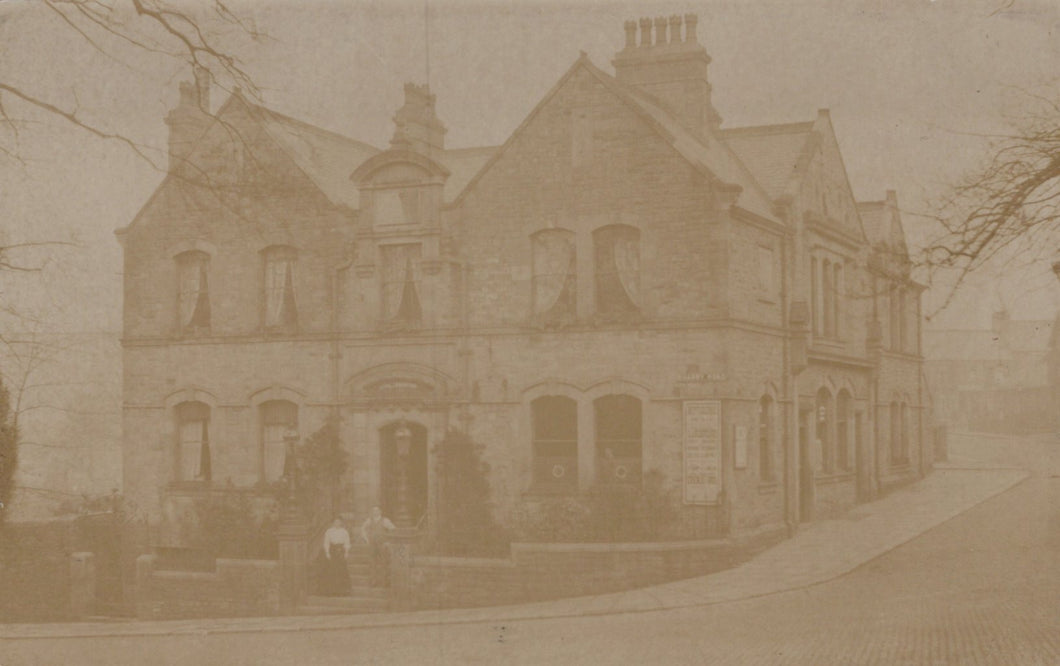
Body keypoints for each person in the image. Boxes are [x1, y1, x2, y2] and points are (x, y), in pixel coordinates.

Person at [361, 506, 396, 586]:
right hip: (372, 544)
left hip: (382, 544)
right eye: (374, 511)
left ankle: (384, 582)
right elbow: (363, 529)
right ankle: (373, 581)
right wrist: (366, 539)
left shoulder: (385, 520)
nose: (375, 512)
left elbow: (393, 529)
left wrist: (388, 541)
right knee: (372, 562)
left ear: (381, 511)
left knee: (384, 562)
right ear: (372, 512)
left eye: (377, 510)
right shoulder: (369, 520)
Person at [320, 517, 351, 596]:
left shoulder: (344, 532)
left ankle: (342, 591)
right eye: (335, 522)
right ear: (333, 523)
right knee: (331, 570)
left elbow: (347, 543)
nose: (337, 523)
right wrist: (327, 552)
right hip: (332, 551)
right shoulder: (329, 531)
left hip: (340, 551)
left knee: (341, 570)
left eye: (338, 522)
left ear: (341, 523)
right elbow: (326, 542)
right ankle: (330, 591)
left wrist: (346, 552)